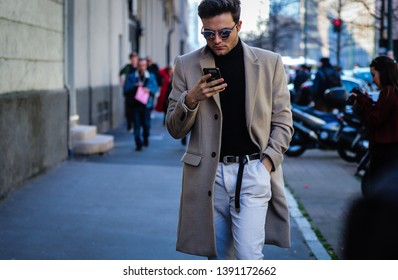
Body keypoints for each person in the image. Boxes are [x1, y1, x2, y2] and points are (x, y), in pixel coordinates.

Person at [165, 0, 293, 260]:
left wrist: (267, 163)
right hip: (209, 177)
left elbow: (283, 121)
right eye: (208, 33)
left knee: (248, 256)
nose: (217, 40)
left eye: (224, 32)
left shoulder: (269, 63)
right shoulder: (187, 64)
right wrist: (190, 99)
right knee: (220, 259)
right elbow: (174, 129)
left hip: (253, 171)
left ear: (239, 25)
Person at [351, 55, 398, 198]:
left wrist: (363, 101)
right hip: (390, 149)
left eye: (374, 75)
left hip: (386, 150)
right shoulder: (393, 91)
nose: (373, 79)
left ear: (383, 73)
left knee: (374, 188)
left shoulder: (388, 92)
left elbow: (375, 119)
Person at [124, 57, 158, 151]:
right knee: (136, 124)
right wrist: (134, 85)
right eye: (140, 66)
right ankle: (138, 143)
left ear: (146, 66)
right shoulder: (132, 76)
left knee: (146, 125)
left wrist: (149, 89)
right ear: (137, 66)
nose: (141, 67)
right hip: (135, 105)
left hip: (146, 105)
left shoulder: (150, 76)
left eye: (143, 65)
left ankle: (146, 137)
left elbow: (155, 88)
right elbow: (126, 89)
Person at [119, 52, 139, 131]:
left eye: (135, 59)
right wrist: (122, 82)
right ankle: (129, 124)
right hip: (129, 90)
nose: (134, 60)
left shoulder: (139, 67)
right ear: (130, 59)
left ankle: (135, 123)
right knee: (128, 108)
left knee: (136, 108)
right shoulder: (128, 67)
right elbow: (120, 73)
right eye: (132, 59)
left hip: (137, 91)